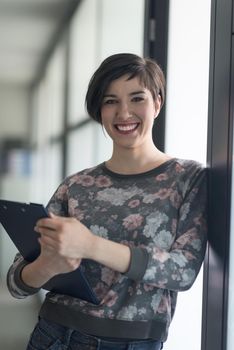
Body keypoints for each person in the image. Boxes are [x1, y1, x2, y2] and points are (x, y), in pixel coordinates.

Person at [7, 53, 207, 350]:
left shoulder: (188, 178)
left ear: (157, 103)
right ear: (99, 110)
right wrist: (48, 266)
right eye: (111, 101)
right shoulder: (76, 185)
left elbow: (182, 270)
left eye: (137, 98)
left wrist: (91, 246)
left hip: (132, 342)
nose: (124, 113)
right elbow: (16, 282)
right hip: (52, 335)